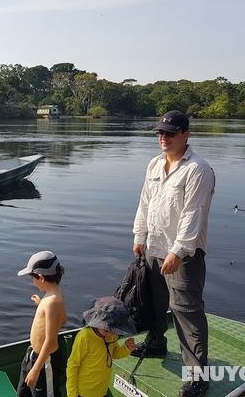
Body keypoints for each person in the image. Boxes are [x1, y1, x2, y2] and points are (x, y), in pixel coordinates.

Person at [132, 110, 215, 397]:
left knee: (186, 312)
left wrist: (178, 251)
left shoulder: (198, 170)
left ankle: (198, 377)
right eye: (160, 133)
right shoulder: (154, 164)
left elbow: (194, 213)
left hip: (184, 255)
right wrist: (139, 235)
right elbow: (145, 202)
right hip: (153, 247)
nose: (163, 138)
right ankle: (156, 343)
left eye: (170, 133)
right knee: (155, 303)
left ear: (186, 134)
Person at [16, 251, 67, 397]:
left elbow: (50, 341)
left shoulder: (53, 302)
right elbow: (61, 319)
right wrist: (41, 305)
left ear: (41, 277)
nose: (32, 281)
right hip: (33, 355)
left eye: (32, 277)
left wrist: (36, 369)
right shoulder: (51, 296)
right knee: (23, 392)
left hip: (45, 362)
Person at [66, 297, 136, 397]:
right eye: (107, 330)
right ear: (97, 322)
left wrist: (126, 348)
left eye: (115, 331)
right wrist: (72, 394)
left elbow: (114, 353)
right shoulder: (84, 337)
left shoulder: (112, 335)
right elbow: (72, 366)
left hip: (102, 391)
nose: (111, 335)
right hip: (84, 393)